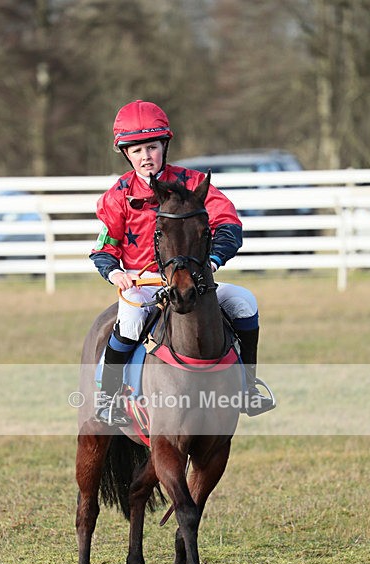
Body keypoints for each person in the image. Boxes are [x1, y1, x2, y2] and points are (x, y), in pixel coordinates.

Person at [90, 99, 275, 425]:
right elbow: (104, 247)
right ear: (126, 154)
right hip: (143, 284)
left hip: (195, 280)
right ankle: (109, 399)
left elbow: (229, 225)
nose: (145, 156)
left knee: (245, 302)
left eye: (152, 147)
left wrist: (214, 260)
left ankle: (248, 386)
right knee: (130, 322)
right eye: (136, 150)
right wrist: (115, 272)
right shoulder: (118, 194)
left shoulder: (193, 184)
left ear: (165, 146)